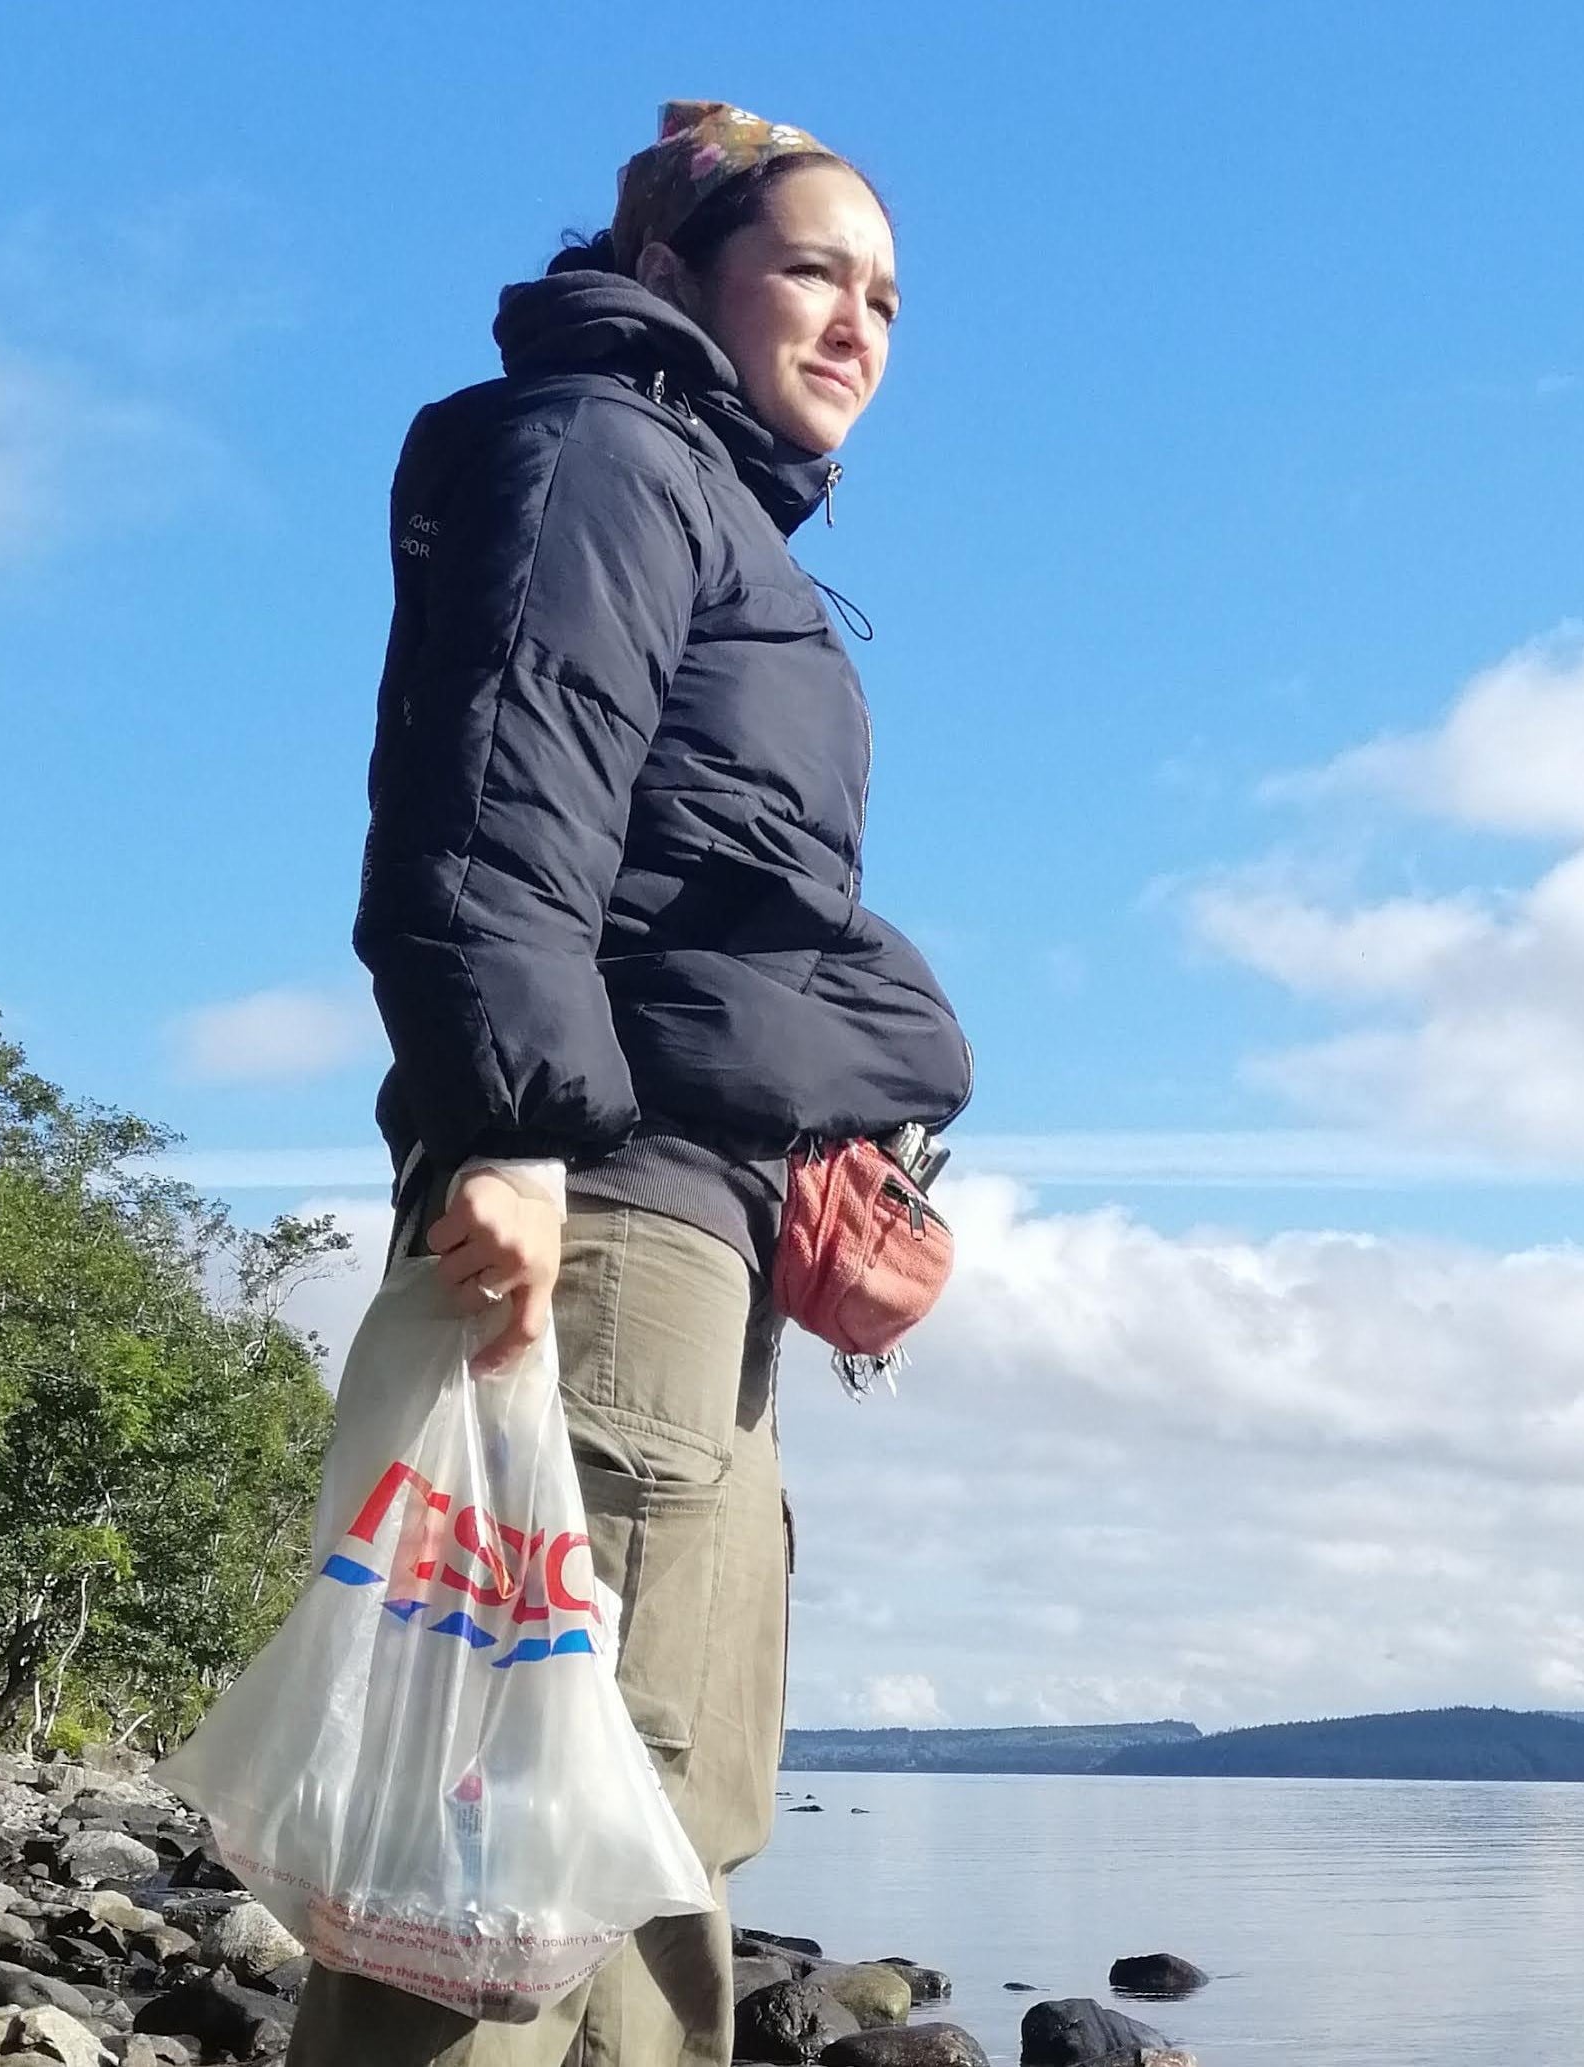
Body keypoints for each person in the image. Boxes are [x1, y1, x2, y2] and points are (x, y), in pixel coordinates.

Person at [294, 101, 972, 2065]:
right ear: (673, 275)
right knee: (504, 1836)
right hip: (603, 1222)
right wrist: (506, 1126)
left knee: (659, 1836)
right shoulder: (603, 453)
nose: (857, 324)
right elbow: (502, 791)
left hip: (702, 1239)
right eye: (812, 269)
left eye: (888, 296)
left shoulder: (705, 502)